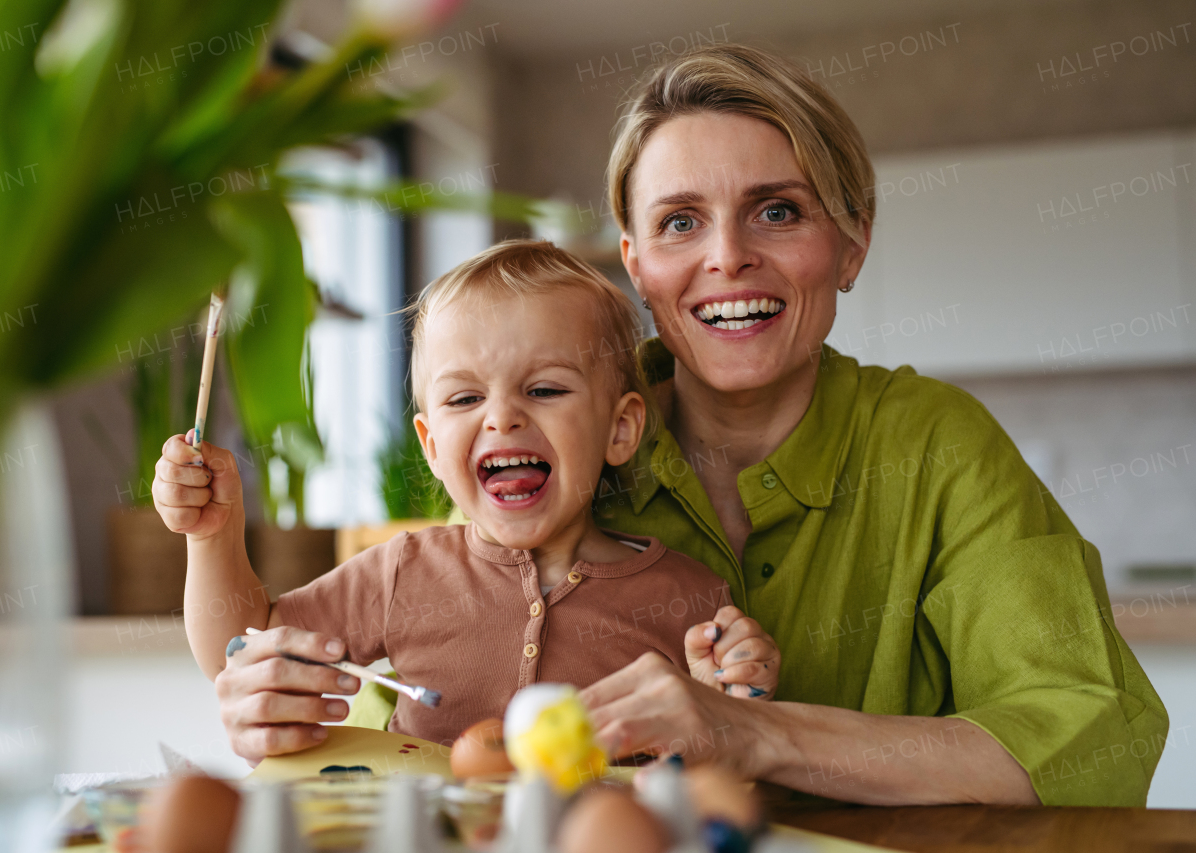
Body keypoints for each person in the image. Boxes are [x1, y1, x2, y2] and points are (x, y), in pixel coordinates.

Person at [577, 43, 1167, 807]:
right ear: (636, 266)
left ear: (853, 241)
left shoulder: (937, 445)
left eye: (777, 211)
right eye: (680, 221)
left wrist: (762, 733)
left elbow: (1092, 734)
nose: (727, 257)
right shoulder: (564, 437)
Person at [151, 240, 781, 750]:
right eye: (464, 398)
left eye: (545, 390)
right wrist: (212, 537)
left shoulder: (690, 598)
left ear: (619, 429)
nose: (501, 418)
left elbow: (718, 777)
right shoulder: (403, 573)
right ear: (430, 445)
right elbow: (242, 648)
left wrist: (727, 699)